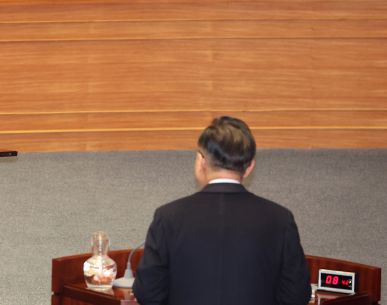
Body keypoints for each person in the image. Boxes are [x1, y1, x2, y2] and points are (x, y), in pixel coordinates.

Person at [132, 117, 311, 305]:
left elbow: (148, 293)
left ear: (201, 161)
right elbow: (296, 295)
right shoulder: (281, 219)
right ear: (250, 167)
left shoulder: (167, 217)